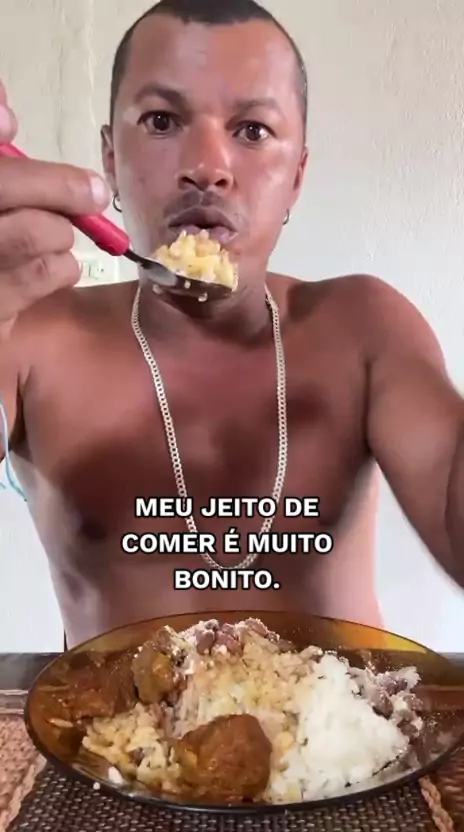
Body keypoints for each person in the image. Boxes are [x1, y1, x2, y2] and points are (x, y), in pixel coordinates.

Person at [0, 0, 462, 649]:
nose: (207, 166)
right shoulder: (31, 335)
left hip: (350, 712)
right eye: (162, 121)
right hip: (111, 715)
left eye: (252, 129)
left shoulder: (365, 329)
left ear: (297, 176)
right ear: (110, 159)